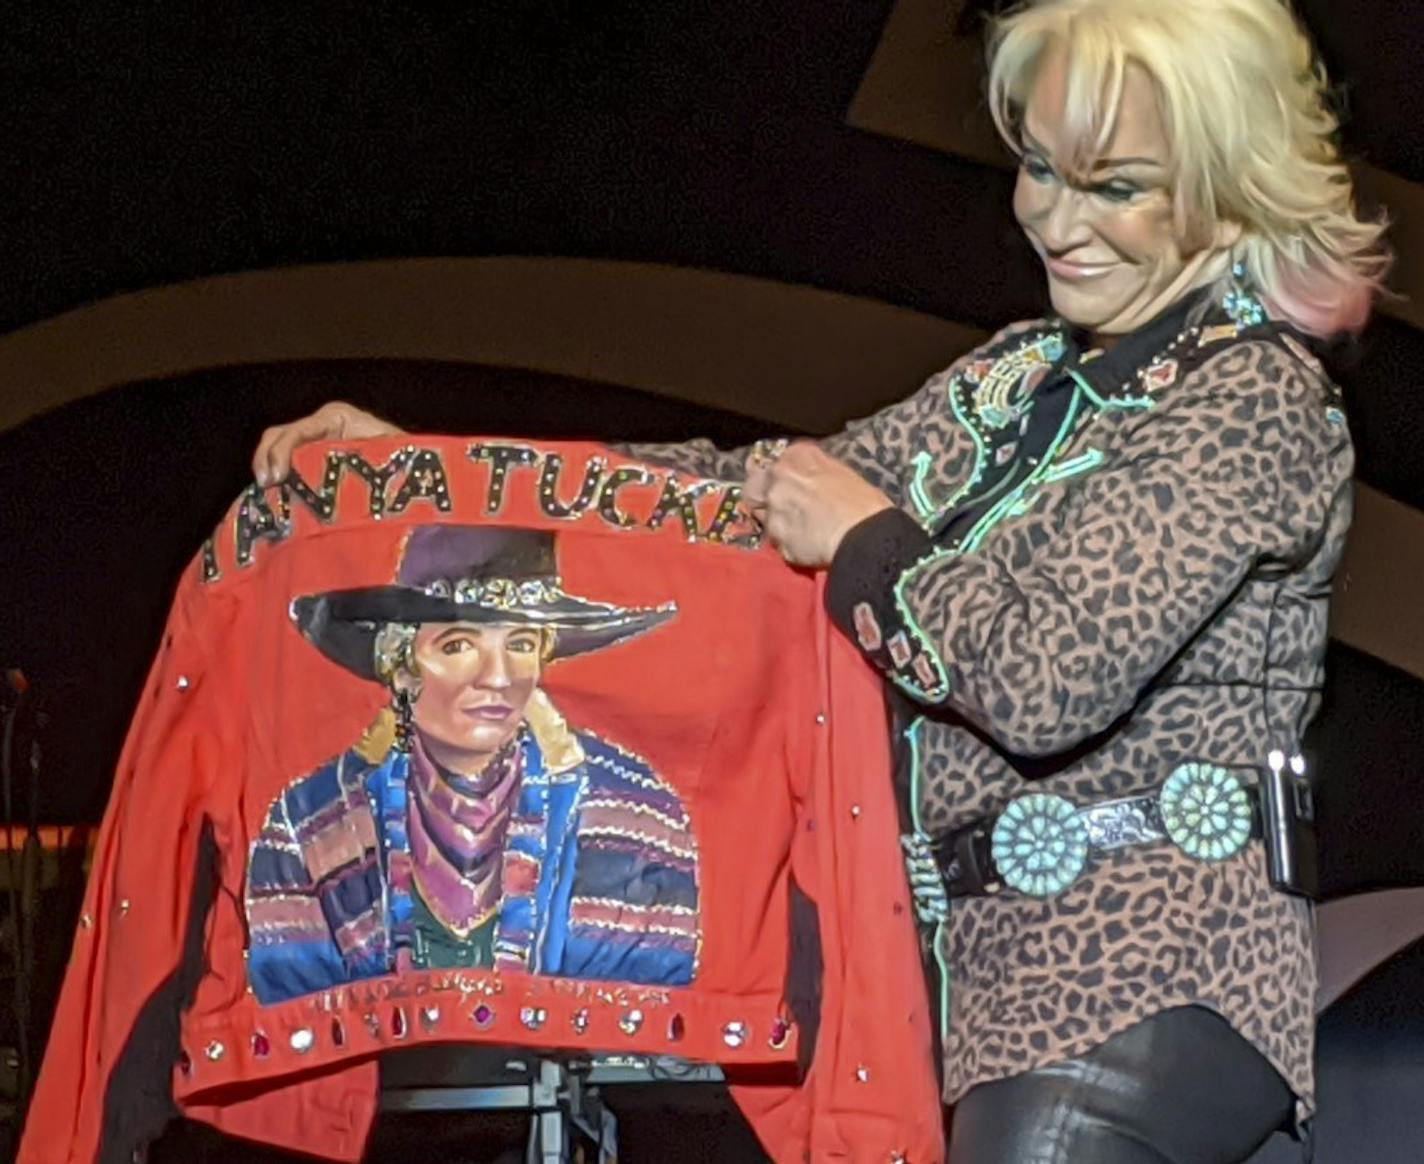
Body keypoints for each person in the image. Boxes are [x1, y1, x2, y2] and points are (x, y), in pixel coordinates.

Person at [251, 0, 1388, 1159]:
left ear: (1224, 185)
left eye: (1114, 186)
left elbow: (1042, 676)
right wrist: (440, 481)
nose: (1052, 216)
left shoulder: (1255, 399)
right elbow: (739, 499)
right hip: (954, 993)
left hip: (1144, 977)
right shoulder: (1017, 377)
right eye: (1039, 168)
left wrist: (865, 539)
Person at [245, 524, 700, 1005]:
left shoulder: (634, 815)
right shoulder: (310, 824)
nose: (498, 678)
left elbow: (646, 1028)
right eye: (459, 645)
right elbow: (292, 1024)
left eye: (521, 644)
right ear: (400, 667)